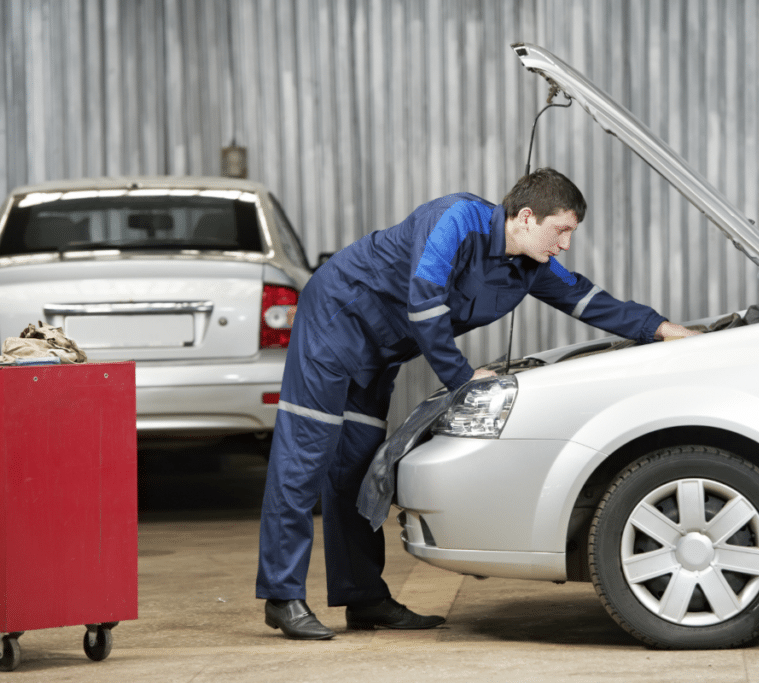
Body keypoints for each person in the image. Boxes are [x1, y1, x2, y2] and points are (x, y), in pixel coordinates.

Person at [257, 168, 698, 640]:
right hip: (335, 323)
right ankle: (283, 598)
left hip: (381, 353)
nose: (566, 244)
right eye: (562, 229)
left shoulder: (529, 264)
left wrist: (664, 329)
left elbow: (587, 299)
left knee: (357, 470)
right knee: (304, 458)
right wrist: (463, 378)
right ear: (527, 217)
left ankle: (364, 597)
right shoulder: (454, 219)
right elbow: (424, 304)